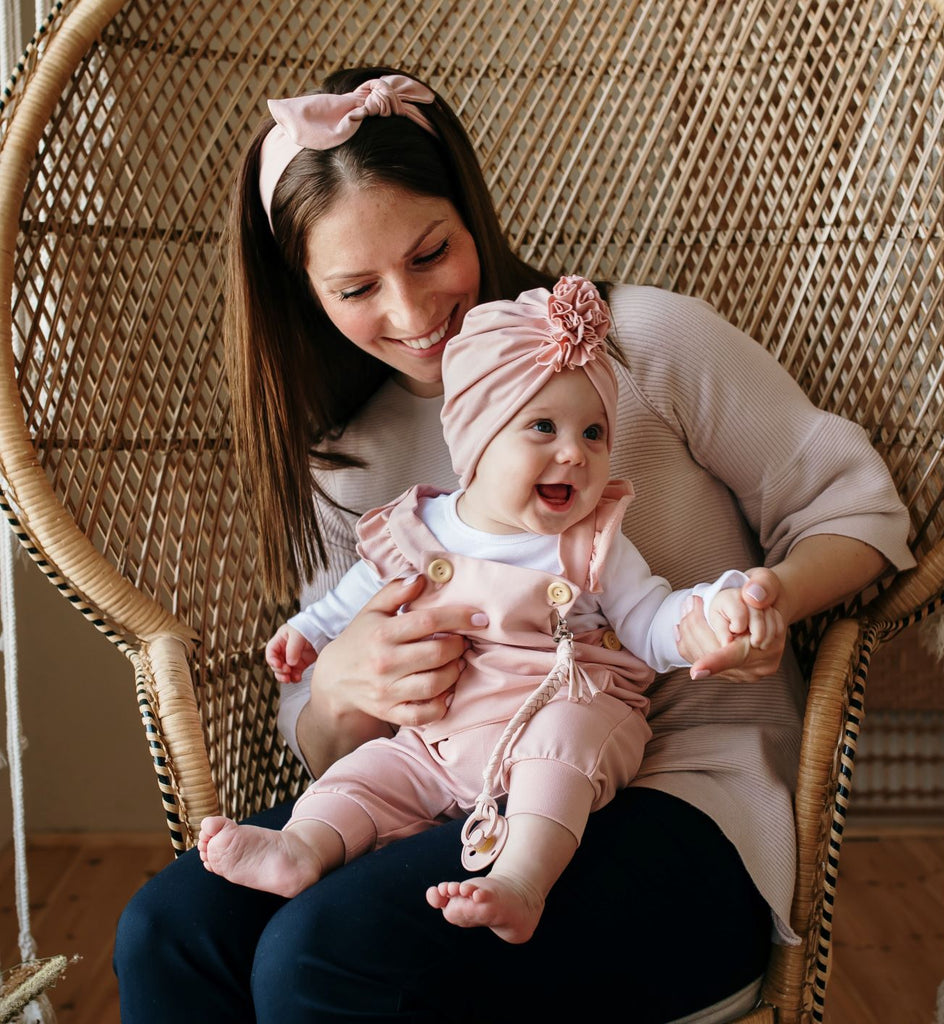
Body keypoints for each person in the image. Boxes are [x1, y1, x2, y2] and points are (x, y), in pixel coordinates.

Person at [114, 66, 916, 1024]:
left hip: (680, 810)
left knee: (322, 960)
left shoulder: (642, 344)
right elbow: (324, 742)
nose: (412, 315)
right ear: (305, 293)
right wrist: (341, 687)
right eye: (357, 287)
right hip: (442, 788)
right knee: (173, 926)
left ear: (473, 217)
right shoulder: (353, 459)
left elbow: (860, 513)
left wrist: (755, 602)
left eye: (430, 254)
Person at [197, 275, 776, 945]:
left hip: (569, 712)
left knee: (560, 744)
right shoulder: (419, 528)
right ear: (475, 439)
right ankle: (302, 848)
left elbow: (648, 620)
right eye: (543, 427)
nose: (575, 452)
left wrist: (709, 612)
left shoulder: (589, 542)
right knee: (370, 774)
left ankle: (522, 879)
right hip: (442, 740)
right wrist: (307, 633)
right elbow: (354, 600)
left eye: (594, 433)